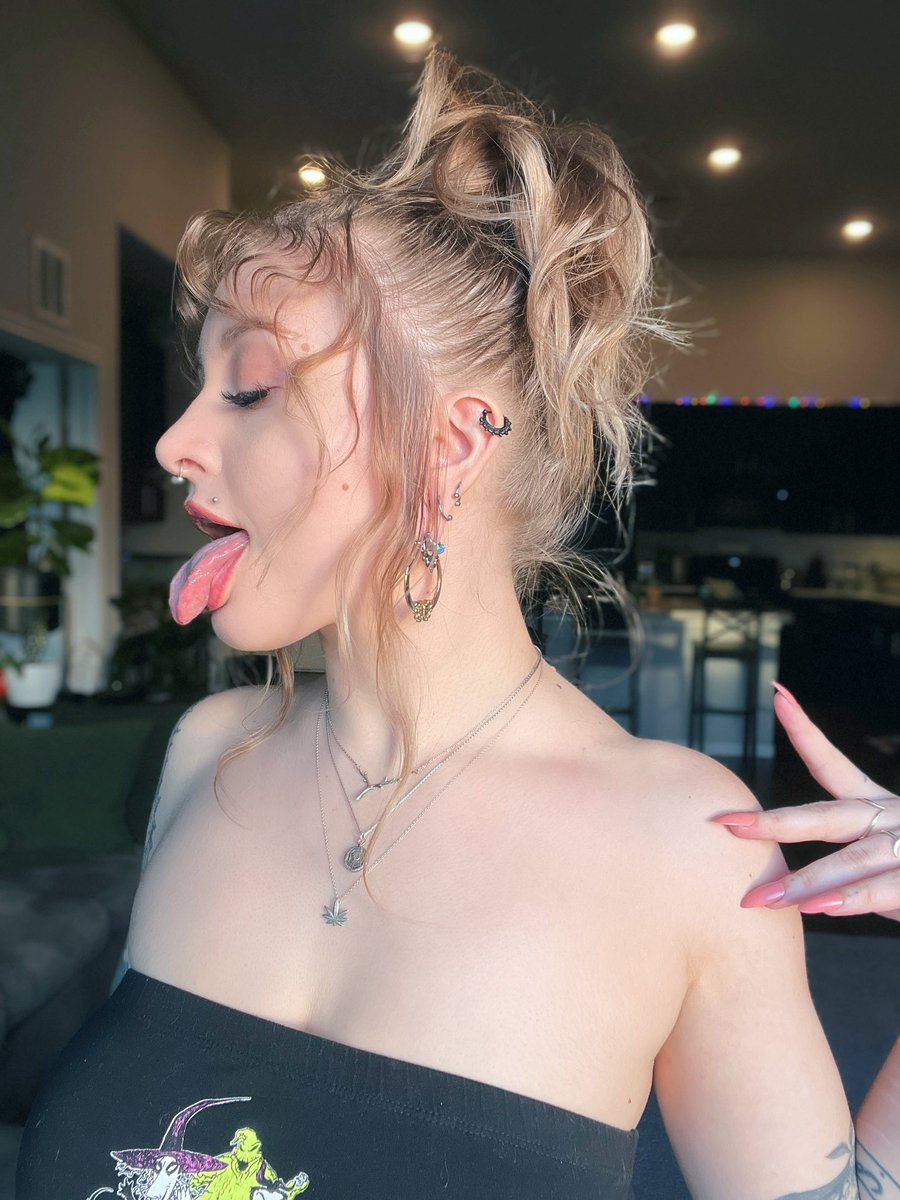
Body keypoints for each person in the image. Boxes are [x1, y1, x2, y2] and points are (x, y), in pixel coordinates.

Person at [16, 49, 899, 1199]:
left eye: (249, 388)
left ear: (449, 444)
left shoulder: (684, 846)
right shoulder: (204, 755)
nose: (176, 442)